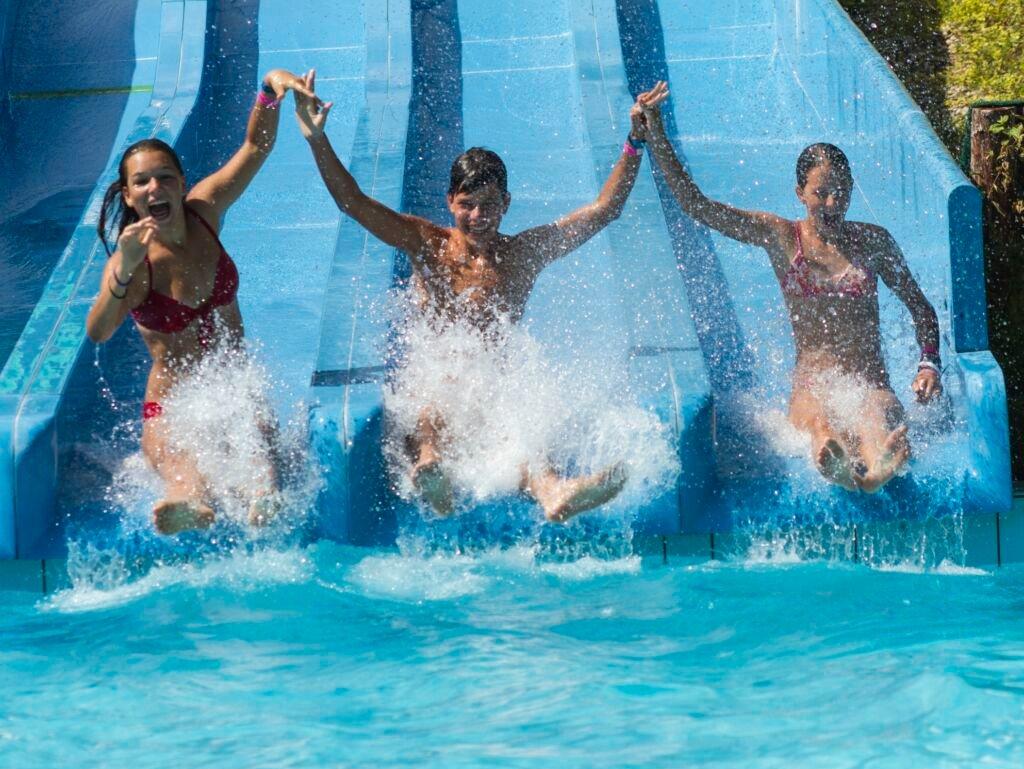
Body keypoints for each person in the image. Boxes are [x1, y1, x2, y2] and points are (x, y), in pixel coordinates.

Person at [294, 71, 647, 521]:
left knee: (519, 421)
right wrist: (315, 140)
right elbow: (354, 203)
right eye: (467, 204)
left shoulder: (523, 254)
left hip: (492, 392)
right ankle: (430, 469)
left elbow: (604, 211)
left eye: (489, 204)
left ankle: (552, 489)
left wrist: (635, 141)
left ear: (507, 204)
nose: (478, 216)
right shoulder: (428, 244)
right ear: (449, 202)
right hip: (436, 392)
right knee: (431, 399)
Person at [633, 81, 942, 493]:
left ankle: (874, 469)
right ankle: (836, 459)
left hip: (870, 384)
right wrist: (655, 135)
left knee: (876, 414)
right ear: (800, 193)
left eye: (842, 193)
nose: (833, 203)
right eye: (822, 193)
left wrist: (929, 364)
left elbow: (921, 308)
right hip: (813, 388)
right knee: (820, 423)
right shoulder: (780, 237)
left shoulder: (874, 242)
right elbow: (697, 206)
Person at [85, 69, 317, 533]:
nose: (155, 188)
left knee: (265, 478)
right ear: (129, 195)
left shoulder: (205, 210)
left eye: (165, 178)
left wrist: (270, 91)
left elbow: (254, 150)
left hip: (232, 388)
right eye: (142, 182)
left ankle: (258, 500)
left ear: (181, 181)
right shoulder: (131, 261)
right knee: (187, 481)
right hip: (173, 404)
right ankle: (186, 503)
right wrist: (125, 268)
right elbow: (98, 331)